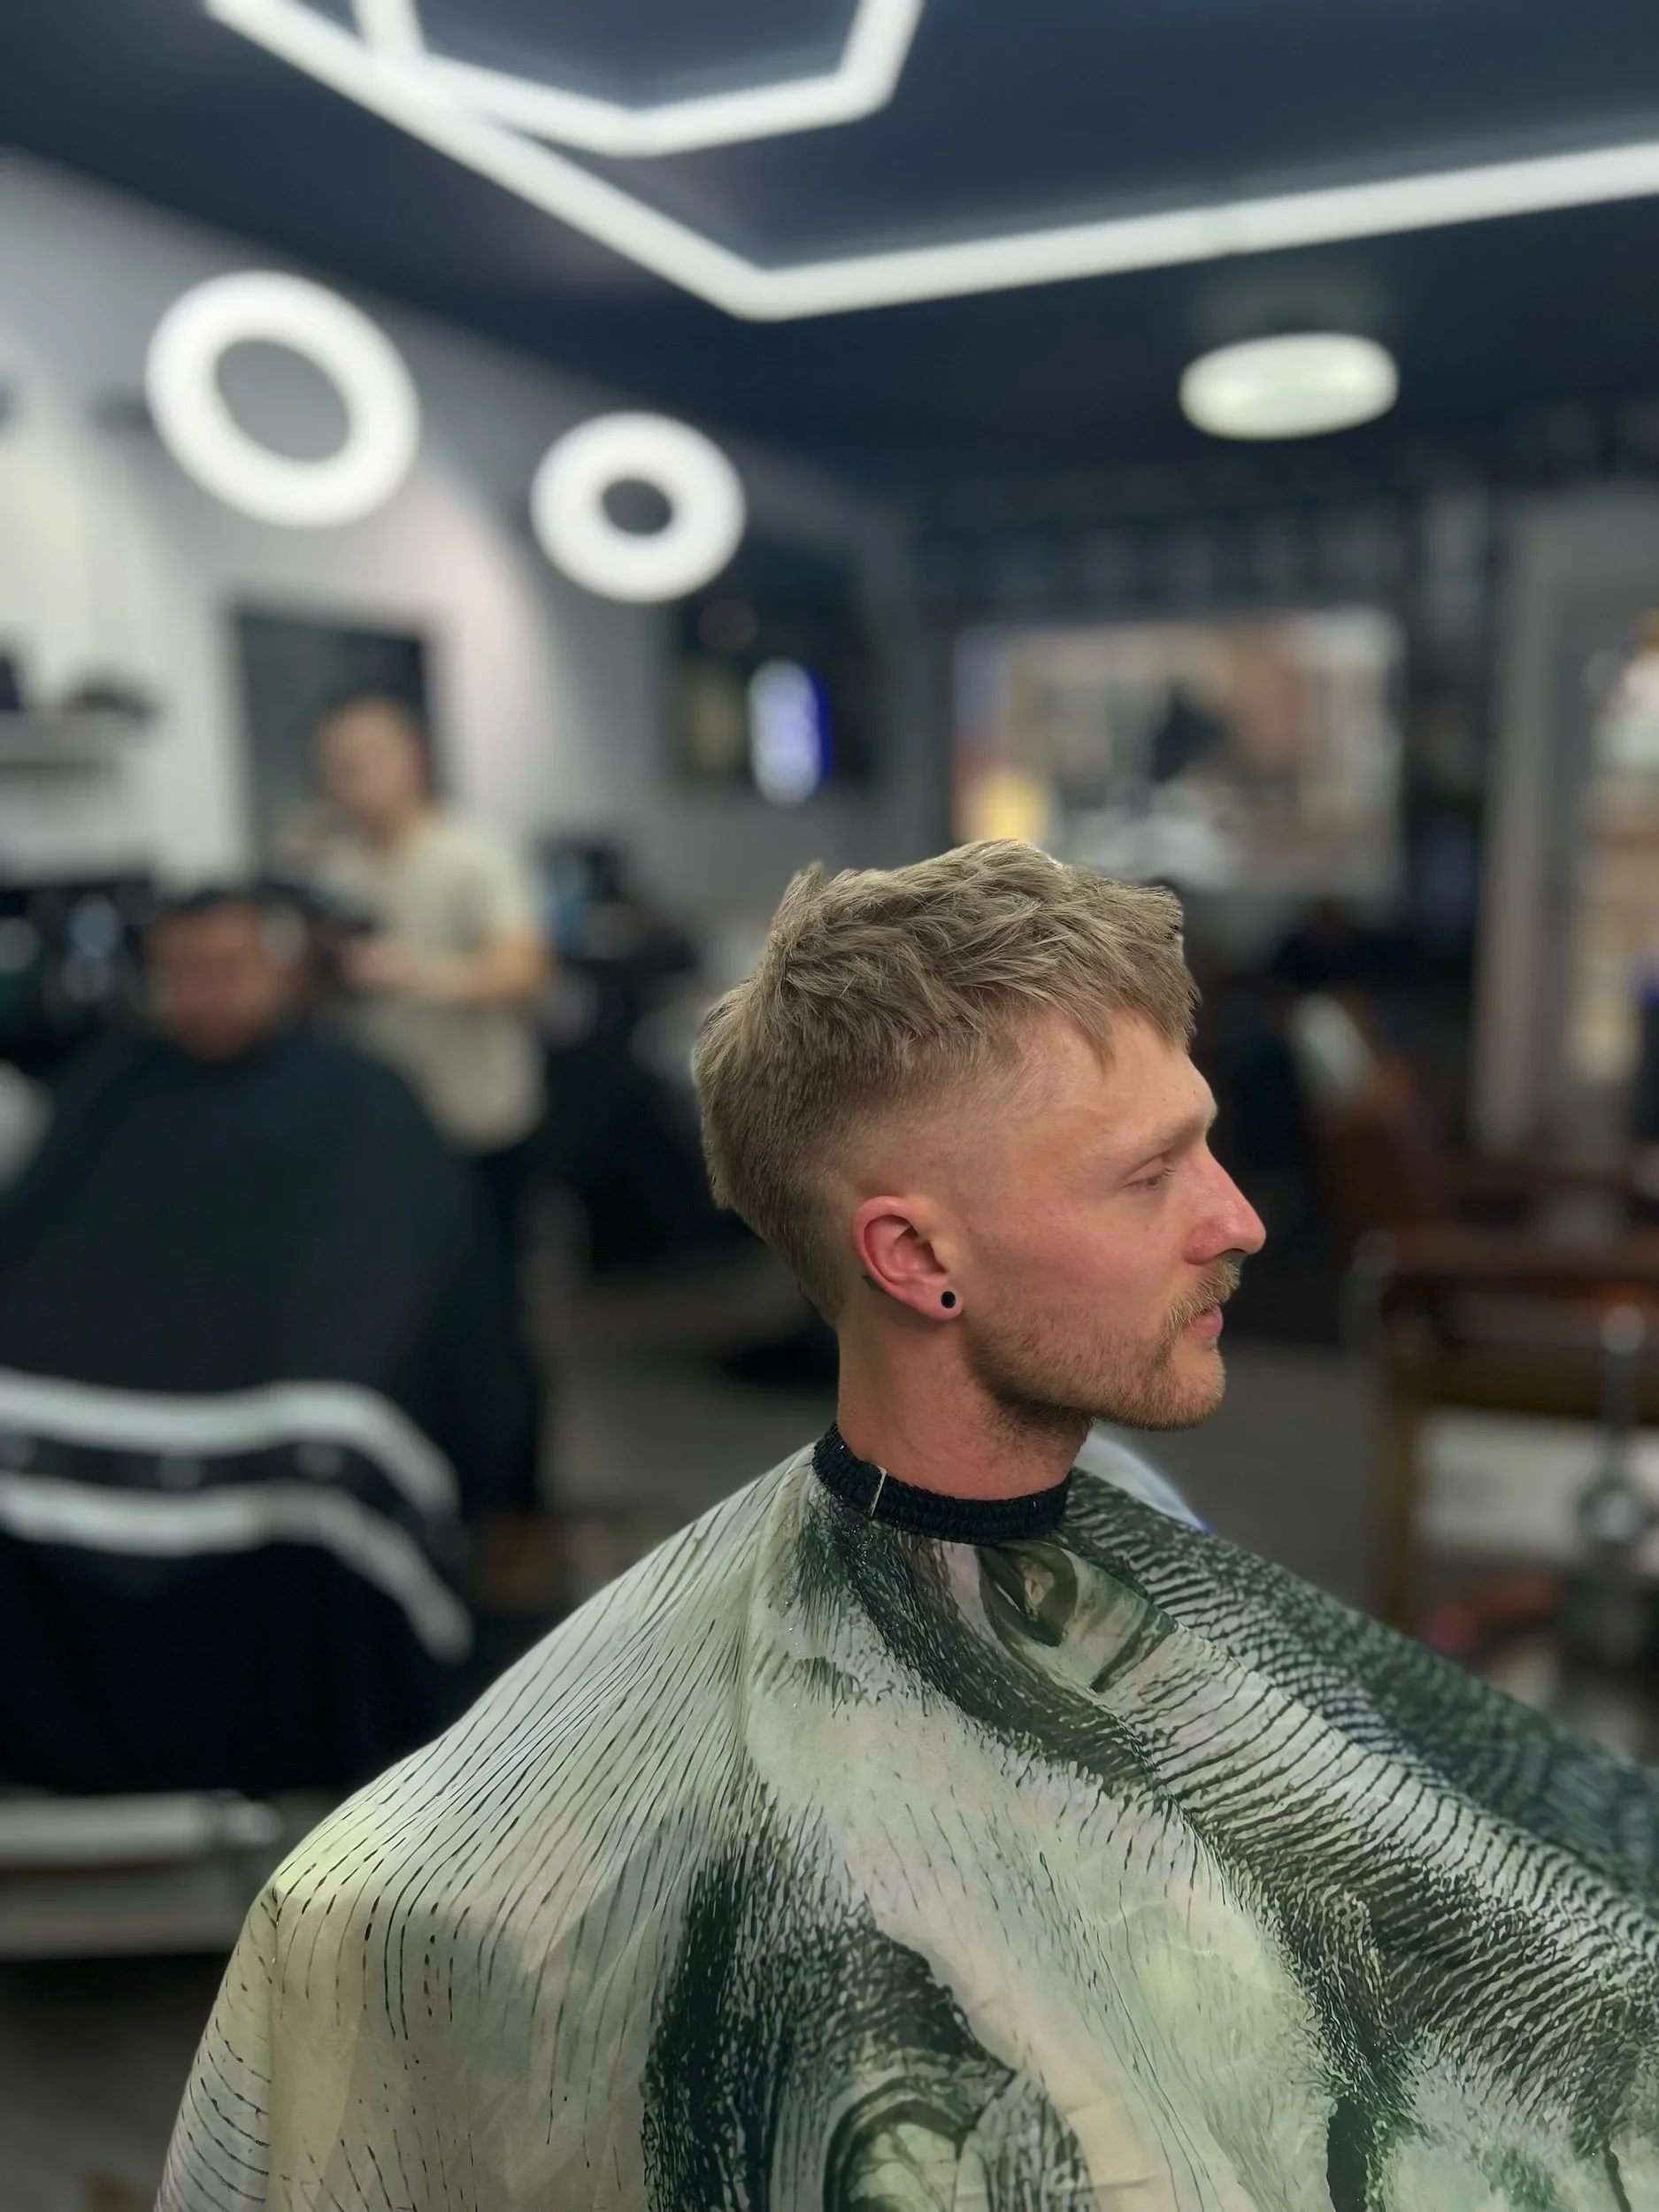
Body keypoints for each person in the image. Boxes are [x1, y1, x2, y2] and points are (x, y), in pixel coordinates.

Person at [162, 845, 1659, 2209]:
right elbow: (352, 1920)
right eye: (1149, 1175)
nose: (1238, 1218)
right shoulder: (780, 1869)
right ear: (916, 1259)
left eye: (1201, 1144)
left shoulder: (1132, 1519)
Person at [0, 886, 537, 1793]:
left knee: (323, 1466)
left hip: (298, 1371)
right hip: (111, 1360)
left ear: (281, 970)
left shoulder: (365, 1099)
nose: (200, 992)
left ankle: (330, 1768)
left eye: (225, 970)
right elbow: (43, 1251)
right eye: (180, 973)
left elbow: (403, 1275)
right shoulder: (109, 1090)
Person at [306, 695, 550, 1281]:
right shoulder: (331, 871)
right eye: (337, 763)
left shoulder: (474, 855)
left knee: (484, 1283)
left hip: (473, 1119)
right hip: (375, 1122)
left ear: (412, 758)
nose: (352, 775)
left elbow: (523, 970)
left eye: (365, 757)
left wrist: (415, 974)